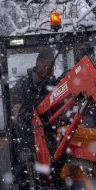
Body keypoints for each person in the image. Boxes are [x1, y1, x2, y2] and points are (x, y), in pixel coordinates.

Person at [10, 47, 57, 181]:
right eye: (46, 64)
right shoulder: (23, 86)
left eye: (52, 65)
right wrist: (28, 111)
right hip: (28, 135)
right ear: (38, 63)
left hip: (52, 131)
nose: (49, 68)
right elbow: (18, 113)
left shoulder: (56, 85)